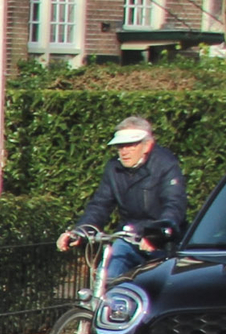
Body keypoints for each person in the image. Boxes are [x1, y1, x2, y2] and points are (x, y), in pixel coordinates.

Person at [60, 115, 189, 279]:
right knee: (108, 278)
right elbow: (100, 204)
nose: (124, 151)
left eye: (130, 145)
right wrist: (80, 232)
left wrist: (157, 235)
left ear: (147, 145)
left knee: (159, 287)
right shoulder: (113, 168)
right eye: (120, 145)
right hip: (129, 238)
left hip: (163, 242)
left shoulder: (166, 164)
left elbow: (174, 204)